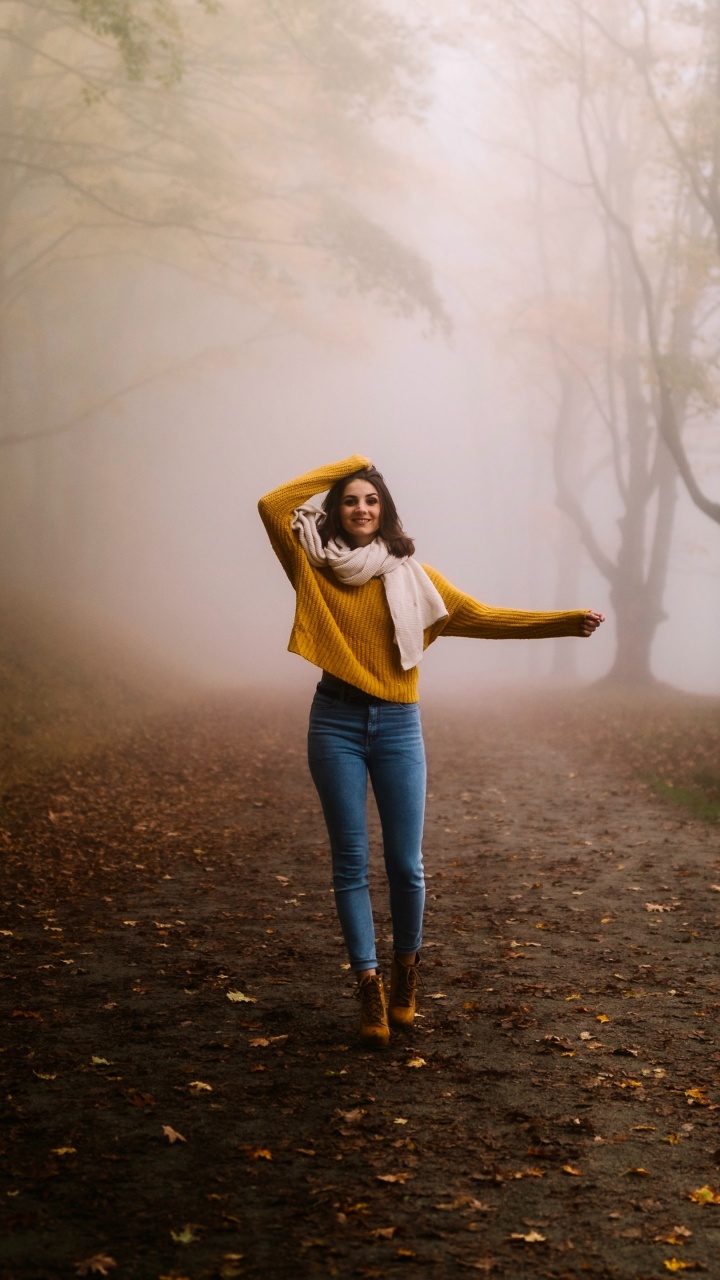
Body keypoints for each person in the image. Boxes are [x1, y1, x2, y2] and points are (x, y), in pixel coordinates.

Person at [258, 455, 604, 1048]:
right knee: (350, 862)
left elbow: (483, 616)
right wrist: (354, 463)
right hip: (334, 720)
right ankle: (366, 983)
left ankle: (405, 970)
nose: (361, 508)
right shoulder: (312, 565)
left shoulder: (413, 578)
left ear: (386, 511)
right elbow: (273, 504)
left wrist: (565, 621)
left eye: (371, 499)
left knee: (406, 865)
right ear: (335, 511)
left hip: (397, 725)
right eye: (349, 500)